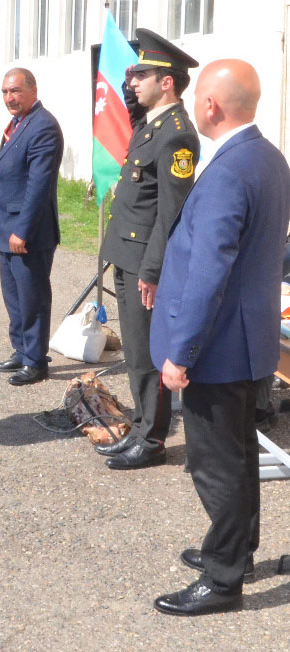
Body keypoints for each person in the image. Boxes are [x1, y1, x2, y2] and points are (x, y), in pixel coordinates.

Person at [150, 60, 290, 617]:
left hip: (215, 345)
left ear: (211, 106)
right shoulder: (268, 156)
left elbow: (210, 269)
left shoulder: (232, 169)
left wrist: (181, 353)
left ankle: (224, 577)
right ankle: (239, 551)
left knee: (216, 464)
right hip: (244, 336)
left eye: (199, 99)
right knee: (237, 457)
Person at [96, 29, 200, 470]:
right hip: (127, 255)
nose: (134, 82)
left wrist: (154, 270)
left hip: (145, 262)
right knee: (135, 353)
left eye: (142, 75)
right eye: (132, 75)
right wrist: (128, 83)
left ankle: (152, 440)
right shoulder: (152, 124)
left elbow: (171, 214)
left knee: (147, 352)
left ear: (168, 82)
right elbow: (133, 112)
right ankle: (140, 425)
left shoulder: (176, 135)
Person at [0, 68, 64, 386]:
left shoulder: (43, 126)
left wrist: (22, 231)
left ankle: (36, 360)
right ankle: (21, 350)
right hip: (8, 228)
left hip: (27, 232)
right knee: (14, 296)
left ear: (33, 90)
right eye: (5, 92)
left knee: (32, 297)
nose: (10, 98)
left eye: (16, 91)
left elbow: (38, 186)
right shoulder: (20, 123)